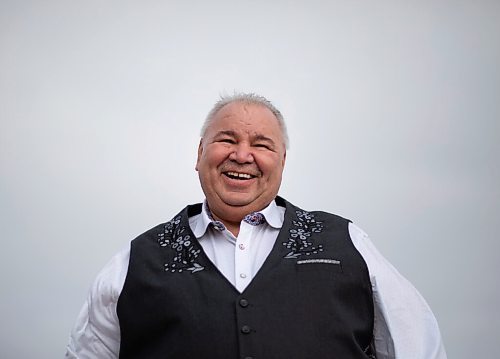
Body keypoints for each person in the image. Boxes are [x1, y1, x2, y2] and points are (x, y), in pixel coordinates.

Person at [65, 93, 447, 359]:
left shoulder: (348, 243)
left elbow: (420, 348)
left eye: (262, 145)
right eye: (227, 139)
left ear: (282, 160)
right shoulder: (134, 262)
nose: (242, 154)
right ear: (199, 154)